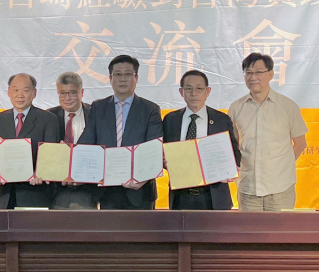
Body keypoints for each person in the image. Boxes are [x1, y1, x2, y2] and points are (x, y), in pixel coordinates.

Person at [78, 55, 163, 210]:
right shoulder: (98, 107)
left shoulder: (150, 109)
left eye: (128, 74)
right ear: (110, 79)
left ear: (136, 78)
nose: (122, 79)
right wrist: (70, 155)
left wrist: (143, 177)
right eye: (117, 74)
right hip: (106, 191)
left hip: (139, 190)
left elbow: (154, 148)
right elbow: (87, 141)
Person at [229, 53, 308, 211]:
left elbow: (300, 144)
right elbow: (234, 145)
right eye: (248, 72)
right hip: (248, 189)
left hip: (281, 189)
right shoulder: (236, 108)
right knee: (249, 228)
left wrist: (281, 167)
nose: (253, 77)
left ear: (271, 74)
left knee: (281, 228)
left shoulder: (287, 106)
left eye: (258, 72)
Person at [163, 70, 241, 210]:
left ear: (208, 91)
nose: (194, 93)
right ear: (181, 92)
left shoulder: (221, 119)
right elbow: (163, 153)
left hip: (214, 196)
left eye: (199, 88)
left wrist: (231, 169)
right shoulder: (171, 120)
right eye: (188, 89)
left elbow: (234, 154)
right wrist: (164, 161)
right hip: (180, 196)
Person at [0, 73, 60, 209]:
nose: (20, 95)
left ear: (34, 93)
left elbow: (51, 155)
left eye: (26, 90)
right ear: (9, 92)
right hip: (6, 196)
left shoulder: (48, 119)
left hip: (35, 194)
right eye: (15, 90)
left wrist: (42, 172)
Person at [48, 72, 97, 209]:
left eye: (72, 93)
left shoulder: (95, 114)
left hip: (89, 189)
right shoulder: (48, 116)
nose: (67, 98)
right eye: (62, 93)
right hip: (56, 190)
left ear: (82, 92)